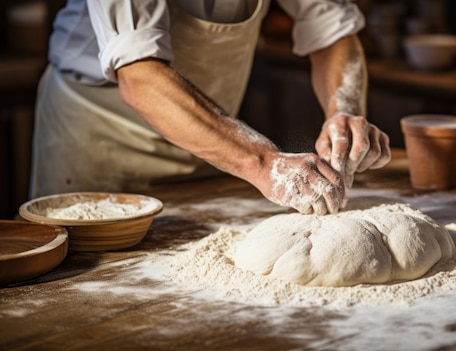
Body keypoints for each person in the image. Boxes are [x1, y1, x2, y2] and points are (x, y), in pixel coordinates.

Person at [31, 0, 391, 215]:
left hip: (213, 140)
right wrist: (264, 163)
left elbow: (333, 30)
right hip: (100, 132)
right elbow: (139, 76)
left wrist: (341, 110)